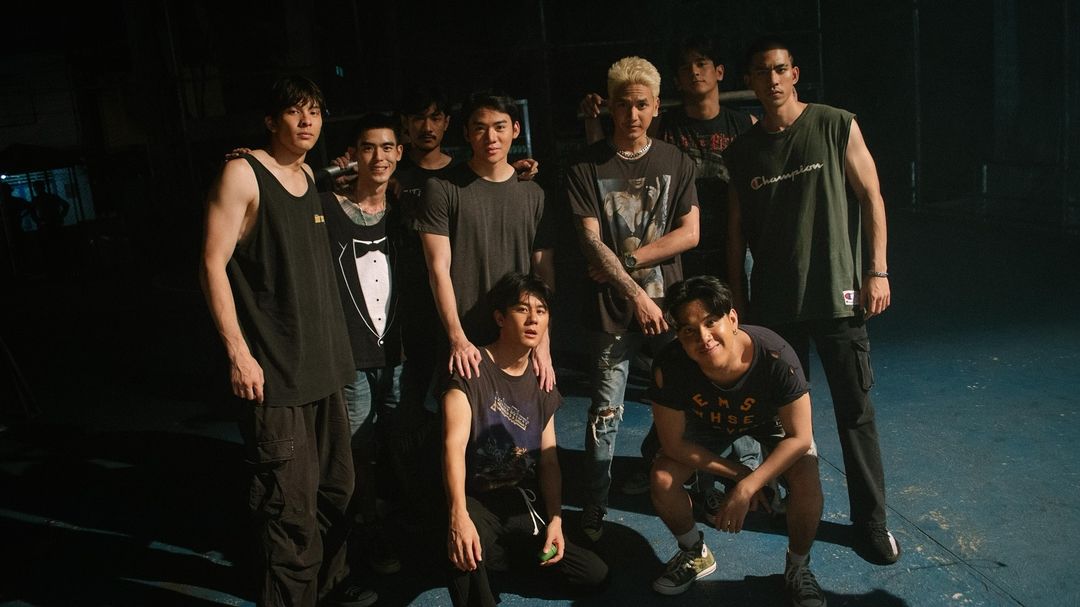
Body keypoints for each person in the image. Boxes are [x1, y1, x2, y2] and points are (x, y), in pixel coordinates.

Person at [199, 75, 376, 607]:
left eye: (315, 112)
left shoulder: (307, 175)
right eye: (295, 111)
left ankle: (330, 587)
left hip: (325, 369)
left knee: (337, 492)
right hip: (275, 374)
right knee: (288, 508)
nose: (307, 121)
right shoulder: (242, 173)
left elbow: (369, 171)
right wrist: (238, 352)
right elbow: (211, 264)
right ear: (270, 120)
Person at [724, 35, 901, 566]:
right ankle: (787, 503)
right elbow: (735, 233)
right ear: (750, 82)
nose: (772, 79)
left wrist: (877, 271)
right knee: (782, 421)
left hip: (838, 298)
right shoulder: (742, 152)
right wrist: (738, 301)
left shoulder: (835, 124)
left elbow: (872, 196)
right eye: (762, 72)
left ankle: (871, 523)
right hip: (774, 307)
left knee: (855, 414)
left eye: (780, 69)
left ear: (794, 74)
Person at [565, 56, 699, 541]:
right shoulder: (586, 166)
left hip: (670, 308)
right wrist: (637, 296)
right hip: (614, 312)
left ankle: (668, 472)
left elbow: (690, 234)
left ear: (656, 106)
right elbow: (589, 240)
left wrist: (626, 261)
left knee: (683, 398)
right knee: (605, 412)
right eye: (624, 105)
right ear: (610, 107)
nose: (633, 114)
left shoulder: (676, 161)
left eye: (642, 104)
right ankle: (595, 503)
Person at [646, 276, 826, 607]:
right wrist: (741, 475)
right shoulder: (670, 365)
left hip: (767, 422)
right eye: (689, 331)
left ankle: (798, 567)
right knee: (663, 478)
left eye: (710, 322)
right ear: (678, 336)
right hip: (707, 422)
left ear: (731, 319)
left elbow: (800, 437)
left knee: (807, 481)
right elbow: (673, 445)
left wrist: (747, 488)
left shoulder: (776, 356)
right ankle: (694, 552)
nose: (703, 337)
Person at [442, 272, 608, 606]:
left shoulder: (541, 381)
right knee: (467, 552)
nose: (533, 319)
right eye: (522, 309)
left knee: (593, 573)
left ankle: (504, 555)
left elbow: (549, 460)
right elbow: (453, 448)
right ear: (500, 318)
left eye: (541, 311)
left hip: (519, 500)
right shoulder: (471, 370)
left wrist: (556, 520)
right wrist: (458, 515)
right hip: (475, 499)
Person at [414, 89, 556, 393]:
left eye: (499, 126)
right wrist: (457, 338)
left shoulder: (534, 194)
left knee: (529, 421)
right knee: (461, 422)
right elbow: (438, 269)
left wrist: (543, 342)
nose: (491, 137)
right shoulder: (442, 189)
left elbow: (543, 273)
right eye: (480, 128)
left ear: (515, 129)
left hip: (519, 340)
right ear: (467, 133)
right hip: (467, 343)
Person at [321, 112, 408, 576]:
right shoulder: (327, 208)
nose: (379, 156)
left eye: (387, 147)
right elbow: (285, 188)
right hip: (352, 353)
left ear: (399, 153)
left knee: (399, 440)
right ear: (353, 154)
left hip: (399, 352)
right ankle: (364, 537)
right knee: (357, 449)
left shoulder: (406, 209)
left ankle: (403, 528)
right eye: (368, 147)